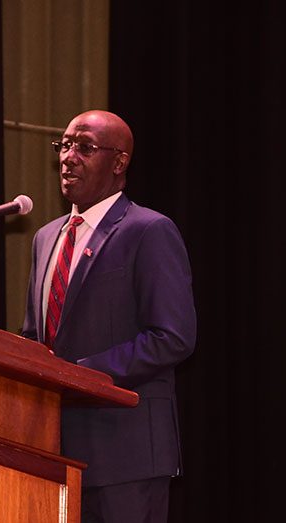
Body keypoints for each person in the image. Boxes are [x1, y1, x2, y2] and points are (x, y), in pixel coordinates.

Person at [21, 109, 197, 523]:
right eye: (64, 145)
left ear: (119, 162)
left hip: (125, 455)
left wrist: (82, 376)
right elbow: (35, 335)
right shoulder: (47, 237)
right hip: (51, 449)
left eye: (84, 147)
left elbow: (172, 336)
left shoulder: (149, 230)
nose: (68, 157)